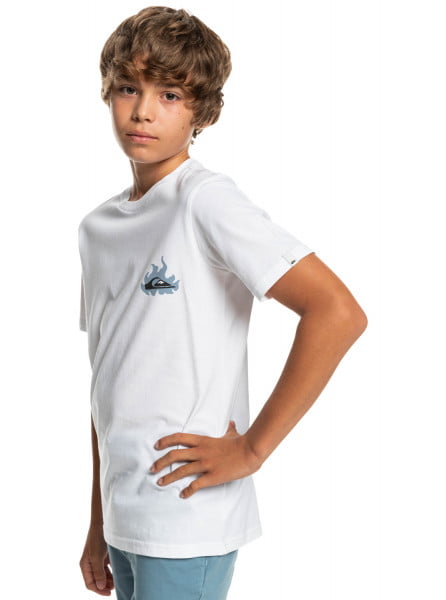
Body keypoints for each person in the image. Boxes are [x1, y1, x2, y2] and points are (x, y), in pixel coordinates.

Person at [78, 6, 368, 599]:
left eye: (170, 95)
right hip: (125, 516)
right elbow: (108, 384)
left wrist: (252, 449)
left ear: (202, 112)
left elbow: (337, 312)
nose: (143, 110)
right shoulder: (97, 228)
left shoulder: (204, 201)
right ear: (108, 92)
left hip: (188, 515)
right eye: (129, 88)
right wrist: (98, 522)